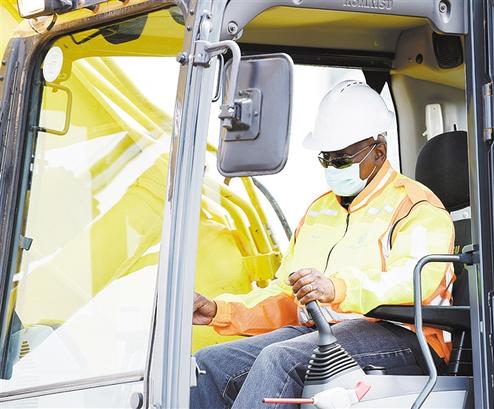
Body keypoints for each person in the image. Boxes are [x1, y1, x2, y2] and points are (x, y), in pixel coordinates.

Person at [190, 80, 455, 409]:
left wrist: (338, 288)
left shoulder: (417, 208)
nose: (331, 168)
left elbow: (414, 279)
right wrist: (220, 310)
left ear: (379, 152)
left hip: (405, 336)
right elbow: (286, 295)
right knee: (210, 364)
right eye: (325, 159)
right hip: (320, 330)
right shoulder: (319, 211)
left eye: (341, 160)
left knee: (280, 359)